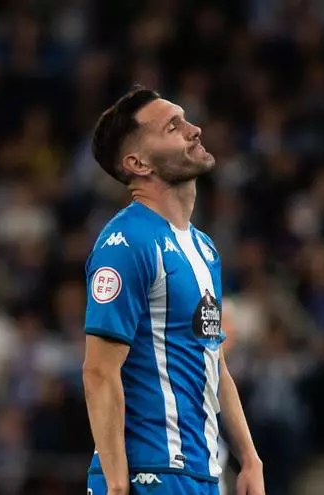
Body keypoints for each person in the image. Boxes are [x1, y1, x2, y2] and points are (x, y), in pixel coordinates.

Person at [82, 87, 265, 495]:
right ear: (137, 163)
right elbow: (99, 371)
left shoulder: (204, 248)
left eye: (186, 120)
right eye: (173, 127)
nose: (194, 130)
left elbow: (213, 361)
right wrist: (117, 484)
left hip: (201, 474)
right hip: (148, 474)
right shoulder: (127, 242)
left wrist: (250, 459)